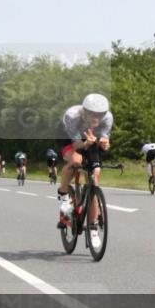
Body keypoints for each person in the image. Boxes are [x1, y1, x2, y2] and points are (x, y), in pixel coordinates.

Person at [55, 94, 113, 238]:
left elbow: (105, 140)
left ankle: (93, 227)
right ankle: (63, 196)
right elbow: (76, 144)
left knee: (95, 176)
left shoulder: (108, 118)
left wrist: (105, 144)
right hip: (68, 136)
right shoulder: (72, 116)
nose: (96, 118)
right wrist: (86, 143)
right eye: (92, 114)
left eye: (100, 115)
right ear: (84, 111)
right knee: (76, 161)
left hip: (91, 137)